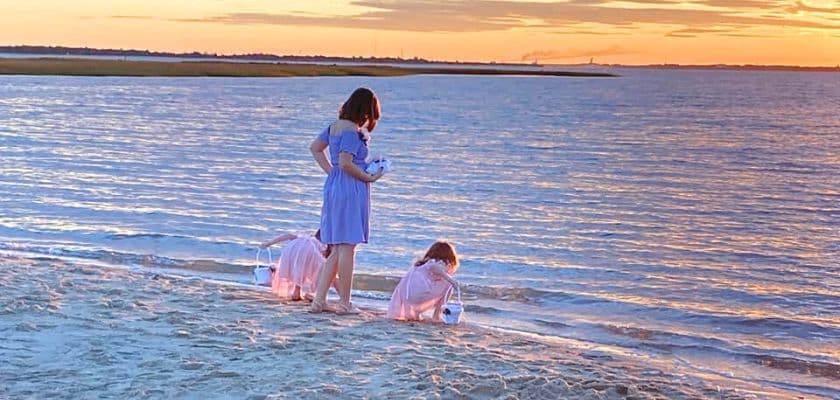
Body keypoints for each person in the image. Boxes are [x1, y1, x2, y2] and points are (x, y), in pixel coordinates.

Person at [309, 87, 385, 314]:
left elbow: (316, 148)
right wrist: (370, 177)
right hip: (350, 189)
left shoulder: (334, 126)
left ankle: (319, 301)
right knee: (347, 247)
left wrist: (331, 173)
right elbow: (345, 162)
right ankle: (344, 303)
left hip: (334, 187)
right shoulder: (352, 130)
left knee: (337, 248)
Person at [386, 241, 460, 322]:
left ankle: (418, 314)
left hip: (410, 294)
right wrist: (451, 280)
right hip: (420, 292)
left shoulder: (422, 265)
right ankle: (436, 315)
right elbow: (434, 267)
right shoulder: (435, 262)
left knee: (446, 283)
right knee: (448, 285)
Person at [261, 230, 330, 301]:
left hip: (292, 251)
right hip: (309, 253)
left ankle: (296, 292)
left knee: (300, 271)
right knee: (317, 272)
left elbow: (287, 236)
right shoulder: (323, 245)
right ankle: (306, 294)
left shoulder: (304, 238)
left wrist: (268, 244)